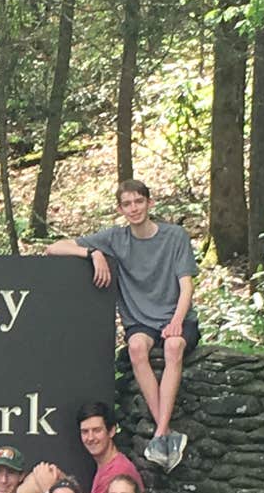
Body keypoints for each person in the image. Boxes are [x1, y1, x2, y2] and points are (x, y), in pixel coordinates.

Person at [45, 181, 199, 472]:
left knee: (174, 346)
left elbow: (186, 285)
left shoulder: (175, 236)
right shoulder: (115, 238)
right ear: (120, 209)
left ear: (150, 204)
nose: (134, 209)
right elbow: (54, 248)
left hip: (176, 316)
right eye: (127, 204)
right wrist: (92, 254)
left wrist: (177, 321)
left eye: (138, 202)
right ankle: (164, 432)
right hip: (141, 321)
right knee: (136, 347)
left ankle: (160, 431)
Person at [76, 401, 141, 493]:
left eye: (97, 430)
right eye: (85, 432)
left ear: (111, 431)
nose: (90, 438)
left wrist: (64, 486)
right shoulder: (105, 465)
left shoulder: (118, 471)